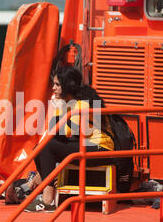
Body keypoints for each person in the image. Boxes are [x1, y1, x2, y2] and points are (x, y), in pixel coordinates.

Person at [24, 66, 118, 212]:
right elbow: (60, 133)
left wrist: (58, 113)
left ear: (67, 85)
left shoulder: (82, 102)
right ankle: (45, 190)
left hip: (101, 148)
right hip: (86, 144)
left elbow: (66, 131)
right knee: (40, 148)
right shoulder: (71, 102)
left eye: (57, 85)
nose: (53, 88)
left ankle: (47, 200)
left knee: (47, 146)